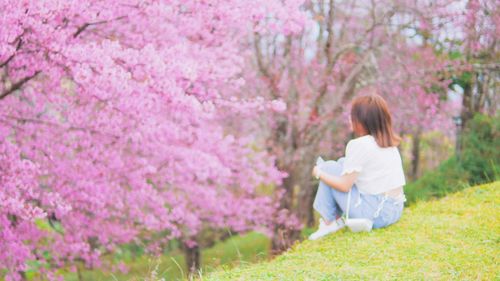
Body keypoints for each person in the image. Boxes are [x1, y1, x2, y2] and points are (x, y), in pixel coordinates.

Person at [309, 94, 407, 240]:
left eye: (352, 115)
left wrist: (318, 173)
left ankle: (329, 221)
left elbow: (344, 186)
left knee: (328, 168)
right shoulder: (388, 143)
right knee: (342, 163)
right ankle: (331, 220)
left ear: (362, 120)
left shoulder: (359, 144)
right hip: (394, 211)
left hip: (375, 214)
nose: (349, 119)